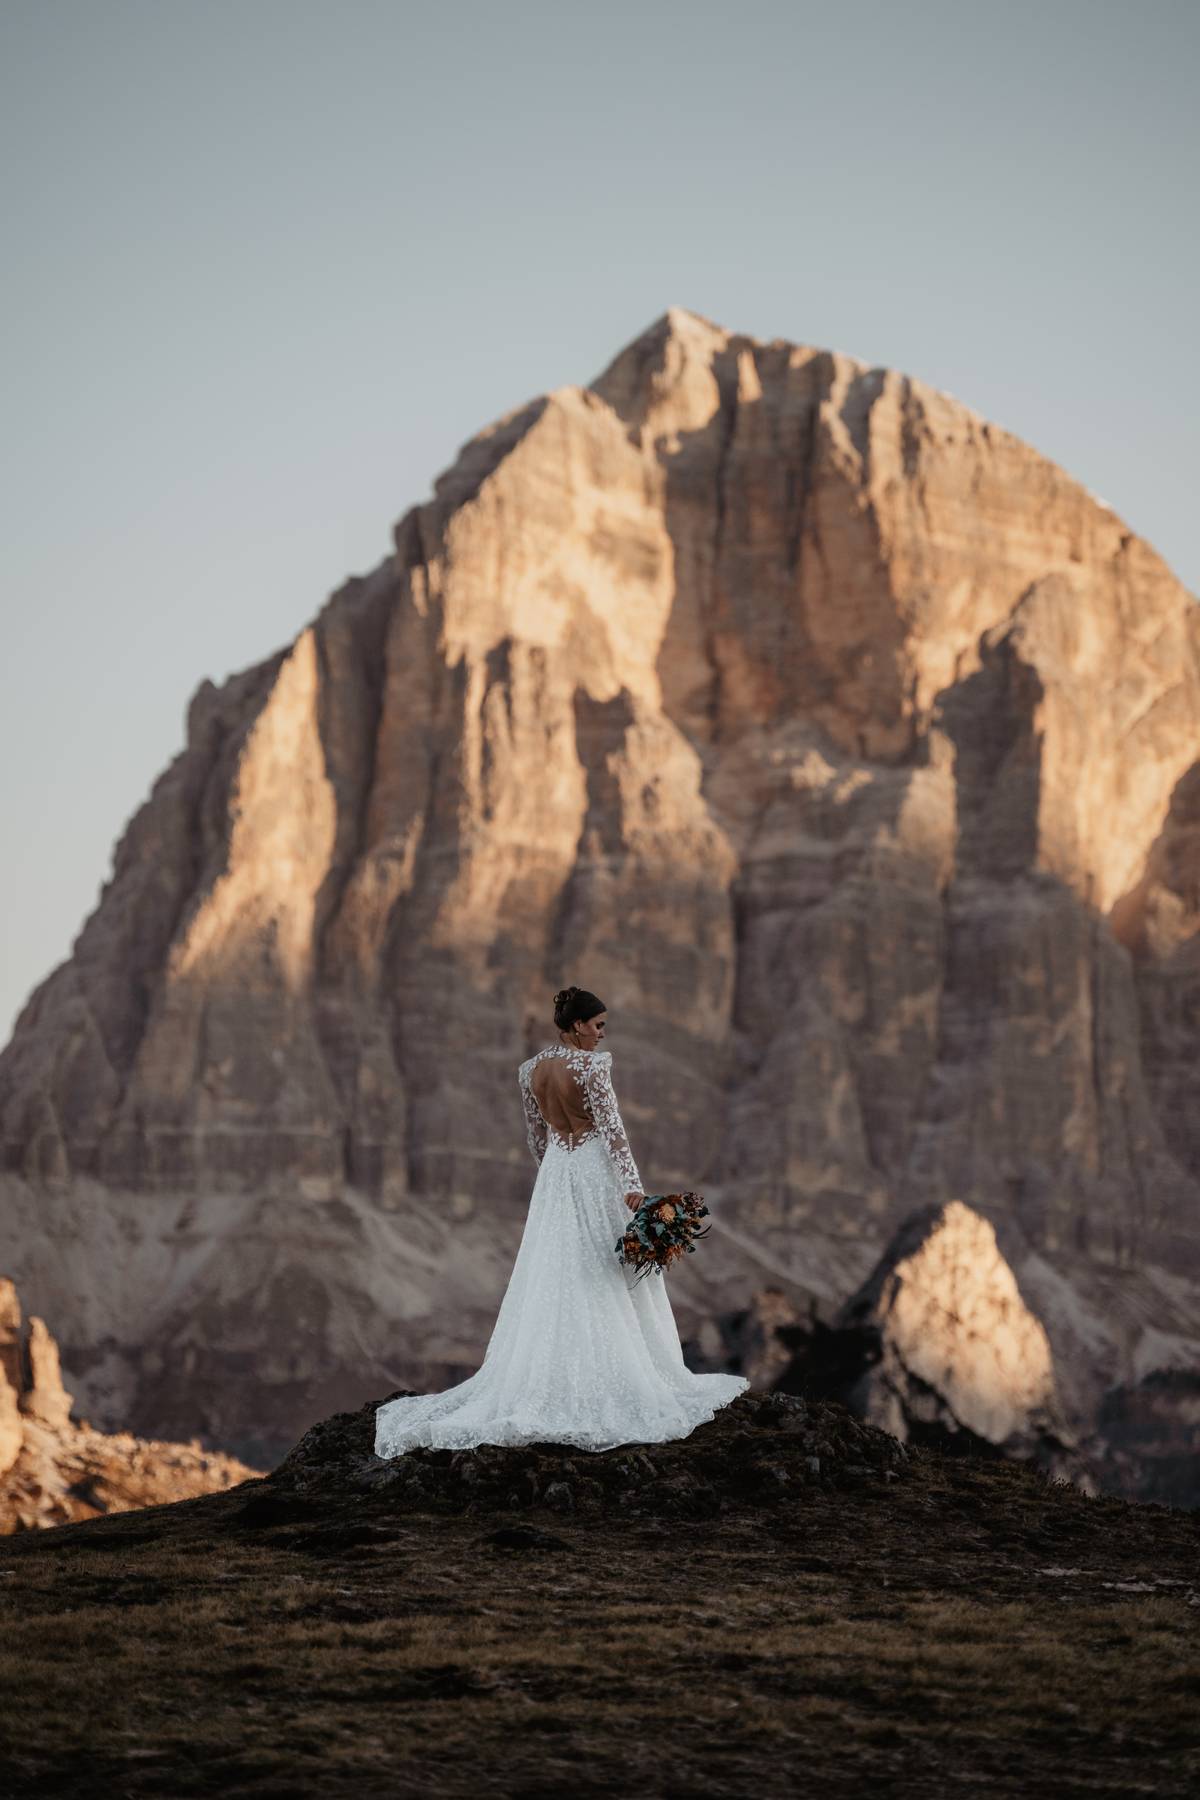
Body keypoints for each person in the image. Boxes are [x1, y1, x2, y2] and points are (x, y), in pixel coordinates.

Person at [373, 984, 748, 1456]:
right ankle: (622, 1376)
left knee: (558, 1268)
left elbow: (537, 1138)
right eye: (597, 1026)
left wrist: (556, 1178)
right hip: (592, 1167)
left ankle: (554, 1372)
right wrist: (633, 1186)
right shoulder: (592, 1067)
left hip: (557, 1174)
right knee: (606, 1266)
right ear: (576, 1026)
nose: (601, 1036)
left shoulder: (530, 1071)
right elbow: (613, 1130)